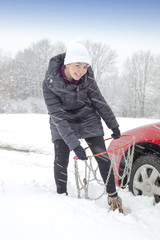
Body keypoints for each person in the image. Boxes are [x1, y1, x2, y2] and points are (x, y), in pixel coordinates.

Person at [42, 41, 123, 213]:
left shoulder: (87, 79)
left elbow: (100, 102)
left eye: (85, 66)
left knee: (102, 155)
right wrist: (74, 144)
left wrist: (113, 125)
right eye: (77, 65)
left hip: (86, 116)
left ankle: (113, 197)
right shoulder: (49, 83)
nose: (81, 70)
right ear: (67, 63)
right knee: (61, 158)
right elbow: (57, 116)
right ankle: (61, 197)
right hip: (62, 119)